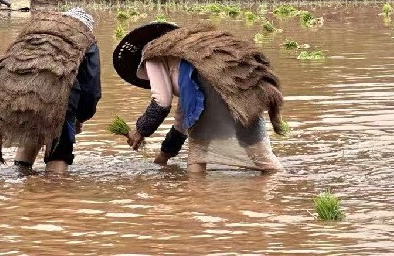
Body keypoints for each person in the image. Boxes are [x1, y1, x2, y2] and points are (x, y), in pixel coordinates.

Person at [114, 22, 285, 174]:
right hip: (242, 88)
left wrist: (140, 130)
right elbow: (182, 121)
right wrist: (164, 156)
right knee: (264, 160)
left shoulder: (151, 55)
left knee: (197, 160)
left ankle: (198, 204)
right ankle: (279, 193)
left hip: (211, 91)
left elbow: (161, 102)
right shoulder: (190, 57)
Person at [0, 8, 101, 174]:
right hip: (58, 100)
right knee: (59, 154)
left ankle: (21, 184)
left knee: (31, 136)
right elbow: (91, 88)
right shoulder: (86, 40)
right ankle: (52, 194)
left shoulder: (36, 30)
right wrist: (81, 117)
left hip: (16, 94)